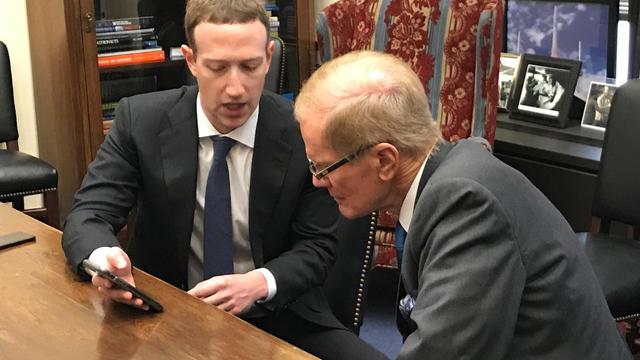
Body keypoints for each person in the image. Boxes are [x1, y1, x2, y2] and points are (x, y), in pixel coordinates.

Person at [61, 1, 386, 359]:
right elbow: (89, 214)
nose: (236, 89)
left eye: (250, 66)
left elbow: (320, 246)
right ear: (191, 60)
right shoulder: (140, 121)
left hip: (279, 313)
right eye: (218, 68)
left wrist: (258, 283)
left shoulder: (303, 131)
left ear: (269, 55)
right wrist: (104, 258)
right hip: (165, 309)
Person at [294, 50, 633, 359]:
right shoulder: (451, 174)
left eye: (323, 167)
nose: (317, 181)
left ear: (385, 160)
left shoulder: (467, 207)